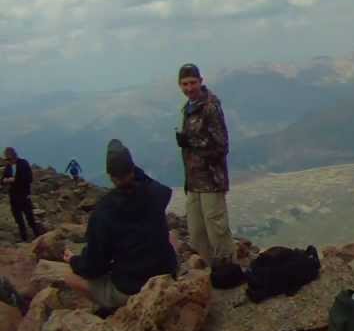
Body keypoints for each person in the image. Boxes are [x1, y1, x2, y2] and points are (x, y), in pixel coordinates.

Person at [61, 140, 177, 312]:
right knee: (172, 237)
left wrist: (74, 260)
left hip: (131, 288)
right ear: (133, 169)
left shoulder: (103, 212)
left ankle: (114, 308)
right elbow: (151, 184)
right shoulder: (156, 192)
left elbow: (93, 267)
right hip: (166, 274)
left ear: (110, 176)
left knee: (69, 277)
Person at [175, 63, 235, 268]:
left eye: (192, 83)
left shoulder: (210, 107)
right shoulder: (188, 108)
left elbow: (221, 145)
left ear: (201, 81)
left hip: (211, 179)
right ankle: (211, 271)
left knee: (217, 230)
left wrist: (191, 142)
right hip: (193, 181)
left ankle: (228, 271)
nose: (189, 88)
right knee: (197, 233)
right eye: (185, 84)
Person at [2, 147, 42, 242]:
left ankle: (38, 237)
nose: (8, 160)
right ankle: (24, 239)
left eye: (9, 157)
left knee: (29, 217)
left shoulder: (23, 163)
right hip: (13, 196)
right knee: (19, 219)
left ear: (13, 155)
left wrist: (15, 180)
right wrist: (5, 180)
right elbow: (3, 179)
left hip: (24, 194)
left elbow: (28, 178)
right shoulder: (8, 167)